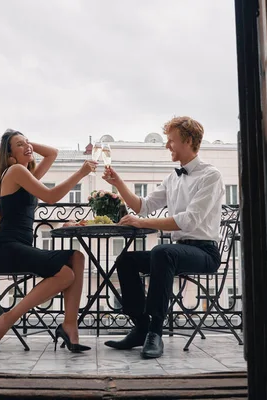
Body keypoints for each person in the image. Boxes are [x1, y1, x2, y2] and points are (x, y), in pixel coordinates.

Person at [101, 116, 225, 359]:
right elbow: (143, 206)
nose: (167, 145)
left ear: (188, 141)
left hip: (205, 253)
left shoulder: (210, 176)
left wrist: (141, 223)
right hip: (177, 253)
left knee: (162, 252)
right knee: (126, 259)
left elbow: (188, 221)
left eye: (171, 141)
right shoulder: (172, 178)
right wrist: (119, 183)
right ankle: (141, 326)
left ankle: (155, 332)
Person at [0, 129, 98, 353]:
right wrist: (81, 173)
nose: (28, 146)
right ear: (9, 156)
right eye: (19, 145)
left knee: (77, 258)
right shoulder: (15, 170)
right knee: (66, 274)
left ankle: (69, 326)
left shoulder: (25, 175)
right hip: (6, 249)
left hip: (19, 248)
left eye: (28, 142)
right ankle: (7, 319)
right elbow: (52, 197)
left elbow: (52, 153)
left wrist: (24, 144)